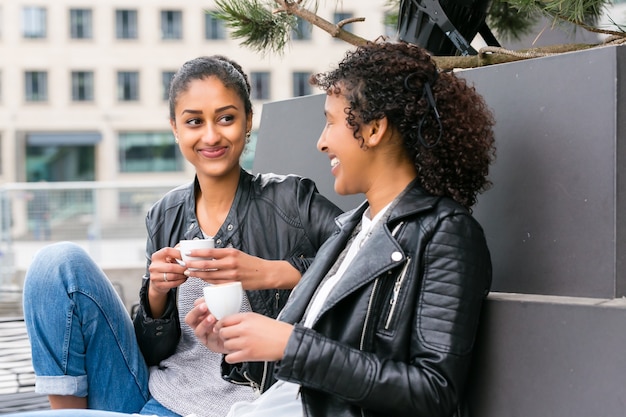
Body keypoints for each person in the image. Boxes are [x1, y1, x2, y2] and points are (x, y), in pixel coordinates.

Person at [185, 40, 496, 417]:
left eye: (331, 121)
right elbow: (308, 363)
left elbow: (434, 392)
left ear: (374, 129)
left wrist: (290, 345)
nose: (321, 142)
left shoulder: (445, 233)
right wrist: (236, 340)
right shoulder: (350, 230)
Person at [20, 55, 342, 417]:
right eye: (193, 122)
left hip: (254, 405)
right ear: (175, 128)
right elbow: (152, 350)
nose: (210, 135)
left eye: (226, 118)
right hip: (155, 397)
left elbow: (363, 259)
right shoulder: (164, 214)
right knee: (56, 264)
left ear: (248, 121)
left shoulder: (291, 200)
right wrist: (156, 295)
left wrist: (271, 272)